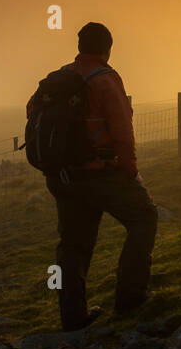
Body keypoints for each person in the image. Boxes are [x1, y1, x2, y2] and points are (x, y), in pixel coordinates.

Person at [29, 22, 158, 331]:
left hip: (63, 177)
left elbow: (32, 112)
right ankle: (130, 298)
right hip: (101, 174)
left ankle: (73, 317)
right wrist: (131, 171)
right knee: (144, 219)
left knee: (73, 244)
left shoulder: (59, 78)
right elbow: (122, 131)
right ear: (107, 48)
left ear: (79, 46)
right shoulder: (104, 79)